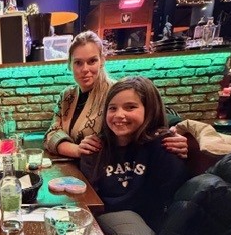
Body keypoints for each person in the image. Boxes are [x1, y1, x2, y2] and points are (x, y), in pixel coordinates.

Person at [80, 76, 188, 235]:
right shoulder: (97, 146)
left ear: (149, 109)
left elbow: (171, 198)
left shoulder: (165, 145)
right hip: (107, 213)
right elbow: (89, 193)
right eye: (112, 108)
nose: (119, 115)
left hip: (146, 222)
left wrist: (184, 132)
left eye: (130, 107)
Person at [44, 30, 188, 159]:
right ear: (70, 64)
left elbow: (156, 117)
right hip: (77, 168)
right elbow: (51, 134)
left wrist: (176, 134)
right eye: (78, 63)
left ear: (102, 61)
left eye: (92, 61)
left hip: (109, 170)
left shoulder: (116, 92)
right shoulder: (67, 96)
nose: (85, 69)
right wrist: (76, 150)